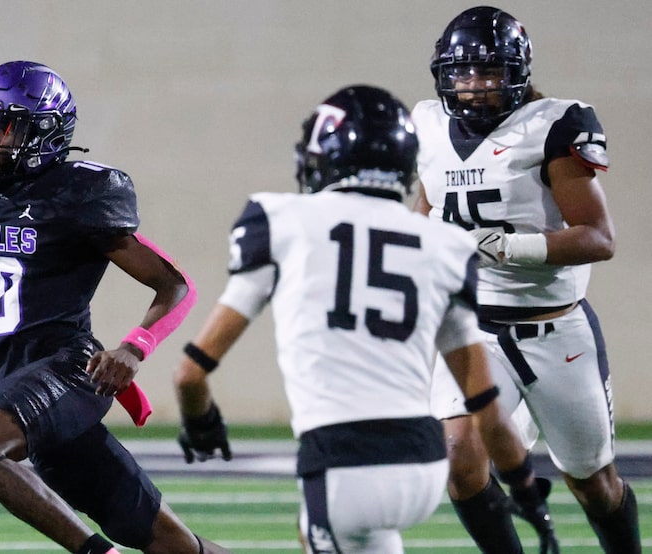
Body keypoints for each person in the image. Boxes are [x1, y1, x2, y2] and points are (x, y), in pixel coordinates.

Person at [0, 60, 230, 554]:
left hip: (71, 371)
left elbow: (174, 285)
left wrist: (134, 349)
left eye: (8, 128)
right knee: (172, 546)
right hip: (11, 383)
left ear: (49, 134)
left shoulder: (79, 193)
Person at [173, 85, 557, 553]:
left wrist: (202, 425)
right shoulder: (444, 244)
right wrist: (526, 491)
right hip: (423, 462)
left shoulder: (279, 219)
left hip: (343, 462)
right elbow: (488, 409)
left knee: (338, 526)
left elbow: (190, 373)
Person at [412, 6, 641, 553]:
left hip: (555, 332)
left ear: (515, 73)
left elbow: (597, 238)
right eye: (462, 73)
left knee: (593, 485)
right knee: (458, 459)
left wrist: (500, 245)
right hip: (472, 329)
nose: (473, 86)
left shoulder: (554, 124)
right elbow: (425, 216)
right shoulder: (426, 123)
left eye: (488, 72)